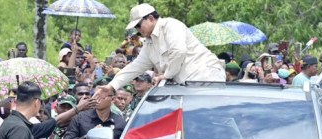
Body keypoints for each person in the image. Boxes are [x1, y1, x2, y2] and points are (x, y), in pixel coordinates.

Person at [95, 3, 225, 99]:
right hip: (188, 87)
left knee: (216, 120)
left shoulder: (171, 25)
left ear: (151, 18)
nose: (138, 29)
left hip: (207, 76)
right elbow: (135, 67)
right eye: (135, 27)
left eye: (139, 25)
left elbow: (178, 51)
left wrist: (166, 75)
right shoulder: (149, 42)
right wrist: (112, 86)